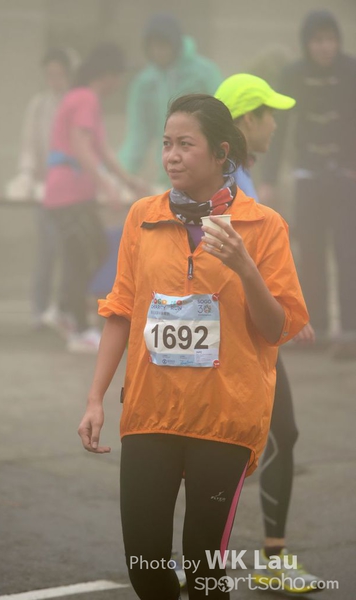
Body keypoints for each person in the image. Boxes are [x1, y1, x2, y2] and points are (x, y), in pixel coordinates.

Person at [78, 93, 309, 599]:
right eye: (166, 144)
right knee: (146, 570)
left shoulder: (263, 225)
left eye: (186, 144)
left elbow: (277, 329)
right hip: (150, 413)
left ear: (222, 152)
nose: (172, 156)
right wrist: (95, 398)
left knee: (205, 575)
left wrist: (245, 268)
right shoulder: (142, 217)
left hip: (223, 418)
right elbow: (120, 310)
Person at [215, 73, 323, 595]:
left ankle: (216, 559)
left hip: (245, 330)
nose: (276, 125)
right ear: (245, 120)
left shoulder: (235, 175)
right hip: (240, 336)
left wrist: (281, 307)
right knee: (268, 440)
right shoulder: (229, 180)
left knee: (256, 441)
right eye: (269, 115)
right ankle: (260, 561)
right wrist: (276, 309)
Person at [260, 11, 356, 360]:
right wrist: (269, 179)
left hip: (346, 177)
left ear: (338, 41)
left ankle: (350, 334)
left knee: (348, 253)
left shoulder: (351, 71)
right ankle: (314, 330)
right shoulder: (293, 75)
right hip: (308, 176)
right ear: (307, 43)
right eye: (317, 40)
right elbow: (279, 127)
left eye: (330, 39)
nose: (324, 47)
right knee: (310, 254)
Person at [44, 43, 146, 354]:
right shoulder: (85, 99)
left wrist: (127, 180)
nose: (119, 83)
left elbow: (102, 150)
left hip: (74, 193)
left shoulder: (85, 99)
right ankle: (79, 328)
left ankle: (64, 311)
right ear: (107, 75)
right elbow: (80, 146)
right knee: (84, 255)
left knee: (92, 250)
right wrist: (107, 186)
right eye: (119, 76)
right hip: (68, 193)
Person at [9, 48, 73, 330]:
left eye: (59, 74)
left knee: (70, 250)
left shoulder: (76, 102)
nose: (54, 80)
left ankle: (64, 308)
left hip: (71, 189)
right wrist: (26, 174)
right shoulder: (39, 105)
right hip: (45, 188)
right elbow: (29, 145)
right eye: (50, 75)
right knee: (47, 248)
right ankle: (40, 308)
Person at [119, 13, 222, 187]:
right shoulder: (144, 83)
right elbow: (138, 135)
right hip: (169, 174)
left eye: (163, 45)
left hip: (203, 172)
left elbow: (223, 119)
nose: (158, 51)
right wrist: (120, 173)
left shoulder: (204, 73)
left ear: (175, 44)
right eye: (153, 46)